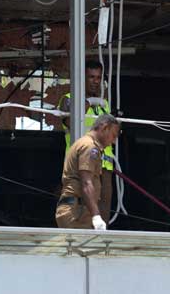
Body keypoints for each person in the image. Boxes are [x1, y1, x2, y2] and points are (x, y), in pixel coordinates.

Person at [58, 60, 114, 220]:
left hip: (104, 166)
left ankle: (102, 236)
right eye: (91, 77)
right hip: (81, 164)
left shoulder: (104, 105)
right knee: (80, 210)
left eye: (98, 77)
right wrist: (89, 102)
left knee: (103, 210)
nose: (96, 81)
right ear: (82, 78)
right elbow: (71, 121)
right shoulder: (67, 99)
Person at [55, 114, 121, 230]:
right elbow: (86, 182)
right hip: (77, 213)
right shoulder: (90, 147)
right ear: (104, 128)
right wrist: (96, 216)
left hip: (77, 209)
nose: (114, 141)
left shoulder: (84, 143)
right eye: (113, 135)